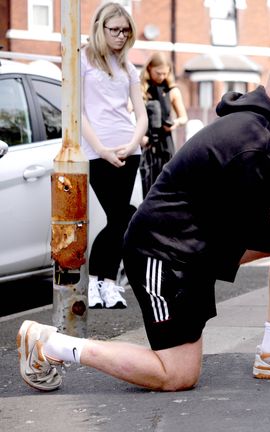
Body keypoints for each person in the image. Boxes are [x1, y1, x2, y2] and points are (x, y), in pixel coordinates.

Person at [17, 54, 270, 392]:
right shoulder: (253, 141)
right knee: (176, 375)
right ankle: (52, 344)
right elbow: (253, 232)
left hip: (193, 248)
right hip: (162, 255)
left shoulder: (259, 129)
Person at [80, 3, 147, 310]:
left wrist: (133, 142)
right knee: (118, 217)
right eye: (115, 30)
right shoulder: (81, 60)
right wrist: (103, 150)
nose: (121, 36)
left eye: (126, 31)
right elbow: (78, 113)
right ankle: (96, 282)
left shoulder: (128, 68)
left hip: (127, 149)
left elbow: (141, 115)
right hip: (97, 151)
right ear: (100, 28)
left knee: (121, 219)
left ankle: (107, 284)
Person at [139, 52, 188, 197]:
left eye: (165, 73)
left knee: (167, 186)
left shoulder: (173, 91)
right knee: (148, 188)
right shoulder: (140, 90)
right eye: (158, 73)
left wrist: (174, 124)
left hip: (166, 143)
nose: (161, 77)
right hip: (146, 143)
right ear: (149, 69)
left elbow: (183, 117)